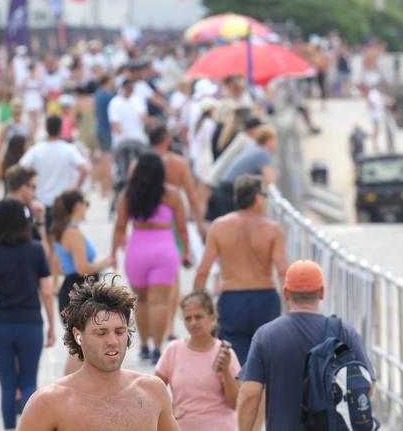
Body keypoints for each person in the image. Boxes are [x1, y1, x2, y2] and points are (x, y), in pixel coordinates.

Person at [18, 277, 180, 431]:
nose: (113, 341)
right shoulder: (49, 402)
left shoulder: (152, 391)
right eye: (101, 333)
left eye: (119, 331)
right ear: (77, 335)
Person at [236, 260, 377, 431]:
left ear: (286, 293)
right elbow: (367, 386)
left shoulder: (265, 335)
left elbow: (250, 394)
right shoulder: (344, 333)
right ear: (322, 292)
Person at [0, 199, 55, 431]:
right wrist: (52, 325)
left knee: (6, 386)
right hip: (30, 324)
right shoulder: (36, 250)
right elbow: (46, 291)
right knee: (28, 383)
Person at [194, 175, 287, 365]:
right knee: (267, 357)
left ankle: (240, 393)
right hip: (265, 297)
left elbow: (203, 270)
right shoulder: (272, 229)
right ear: (258, 198)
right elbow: (283, 271)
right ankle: (262, 394)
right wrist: (292, 307)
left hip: (232, 298)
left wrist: (196, 304)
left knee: (235, 359)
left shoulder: (219, 226)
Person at [112, 152, 190, 363]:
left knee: (141, 301)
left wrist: (112, 254)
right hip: (164, 248)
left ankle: (144, 346)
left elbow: (120, 227)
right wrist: (187, 251)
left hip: (137, 248)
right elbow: (182, 228)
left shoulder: (129, 195)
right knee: (160, 303)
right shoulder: (172, 195)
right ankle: (157, 348)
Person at [147, 123, 205, 341]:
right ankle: (169, 326)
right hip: (171, 220)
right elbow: (191, 196)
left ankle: (153, 324)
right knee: (171, 276)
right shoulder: (178, 164)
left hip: (145, 221)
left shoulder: (142, 164)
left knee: (148, 275)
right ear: (167, 140)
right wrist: (199, 223)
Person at [155, 290, 240, 430]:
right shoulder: (173, 350)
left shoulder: (225, 353)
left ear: (212, 318)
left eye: (198, 317)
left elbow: (235, 404)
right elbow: (154, 389)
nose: (193, 323)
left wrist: (225, 372)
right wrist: (170, 408)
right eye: (188, 318)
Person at [50, 189, 113, 374]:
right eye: (86, 203)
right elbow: (82, 267)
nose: (87, 208)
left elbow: (57, 265)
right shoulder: (72, 233)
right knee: (80, 345)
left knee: (80, 344)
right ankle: (67, 389)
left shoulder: (62, 230)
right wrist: (103, 262)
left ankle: (72, 388)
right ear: (78, 205)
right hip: (78, 288)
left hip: (71, 287)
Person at [19, 115, 89, 229]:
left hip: (40, 200)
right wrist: (77, 188)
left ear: (46, 129)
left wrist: (29, 187)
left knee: (42, 235)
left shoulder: (37, 149)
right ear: (60, 129)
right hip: (61, 202)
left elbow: (21, 167)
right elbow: (84, 169)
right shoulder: (68, 149)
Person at [209, 124, 278, 220]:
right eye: (275, 139)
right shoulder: (263, 153)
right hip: (231, 190)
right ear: (269, 140)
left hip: (227, 188)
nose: (276, 143)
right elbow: (270, 181)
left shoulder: (254, 149)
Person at [108, 78, 148, 148]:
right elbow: (115, 124)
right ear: (123, 88)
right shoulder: (115, 102)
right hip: (122, 142)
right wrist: (124, 138)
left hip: (138, 139)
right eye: (128, 88)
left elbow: (144, 117)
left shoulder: (137, 100)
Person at [93, 73, 116, 196]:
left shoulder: (98, 94)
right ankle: (106, 188)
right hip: (106, 129)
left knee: (103, 158)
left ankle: (102, 187)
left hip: (100, 128)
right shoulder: (107, 96)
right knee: (106, 160)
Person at [0, 98, 29, 166]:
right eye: (14, 107)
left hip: (24, 158)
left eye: (19, 107)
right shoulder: (6, 126)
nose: (17, 110)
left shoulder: (27, 125)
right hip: (10, 158)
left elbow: (31, 143)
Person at [0, 134, 27, 198]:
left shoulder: (4, 163)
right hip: (14, 200)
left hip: (9, 199)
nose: (26, 148)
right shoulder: (24, 163)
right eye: (25, 146)